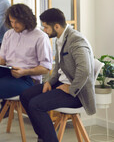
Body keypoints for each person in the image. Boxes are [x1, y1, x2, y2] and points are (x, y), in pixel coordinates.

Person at [0, 4, 53, 142]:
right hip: (7, 71)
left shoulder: (40, 37)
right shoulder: (9, 34)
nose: (13, 25)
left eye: (17, 21)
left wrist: (25, 71)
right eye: (11, 21)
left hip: (27, 79)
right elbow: (4, 61)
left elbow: (46, 67)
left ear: (26, 19)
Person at [20, 8, 96, 142]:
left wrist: (71, 88)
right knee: (25, 96)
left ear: (56, 26)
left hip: (77, 93)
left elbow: (84, 70)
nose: (44, 30)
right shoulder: (59, 38)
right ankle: (44, 136)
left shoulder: (76, 41)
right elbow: (58, 66)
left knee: (36, 105)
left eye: (46, 27)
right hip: (61, 84)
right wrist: (49, 82)